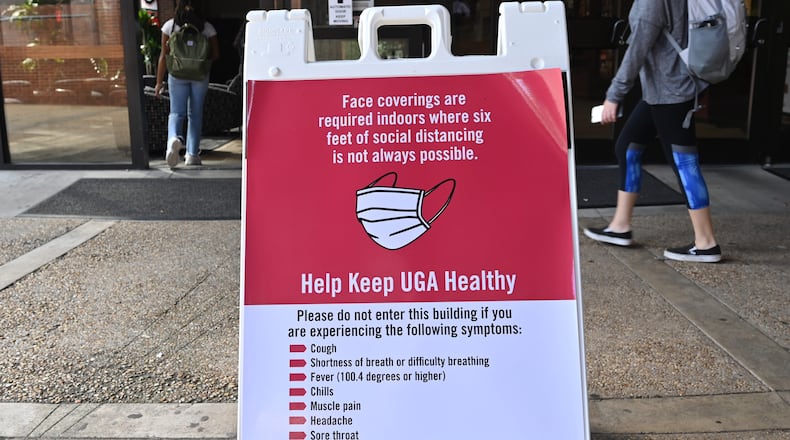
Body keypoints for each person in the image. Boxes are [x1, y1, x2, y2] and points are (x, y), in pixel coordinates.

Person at [582, 0, 722, 263]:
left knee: (684, 163)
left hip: (673, 92)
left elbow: (637, 49)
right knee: (628, 146)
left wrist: (614, 96)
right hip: (660, 91)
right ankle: (620, 226)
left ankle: (706, 243)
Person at [154, 0, 219, 168]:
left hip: (177, 75)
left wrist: (159, 82)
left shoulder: (170, 26)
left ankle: (173, 139)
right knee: (195, 115)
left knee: (176, 113)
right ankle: (192, 154)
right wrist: (200, 63)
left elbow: (163, 56)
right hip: (200, 76)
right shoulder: (207, 28)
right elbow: (215, 54)